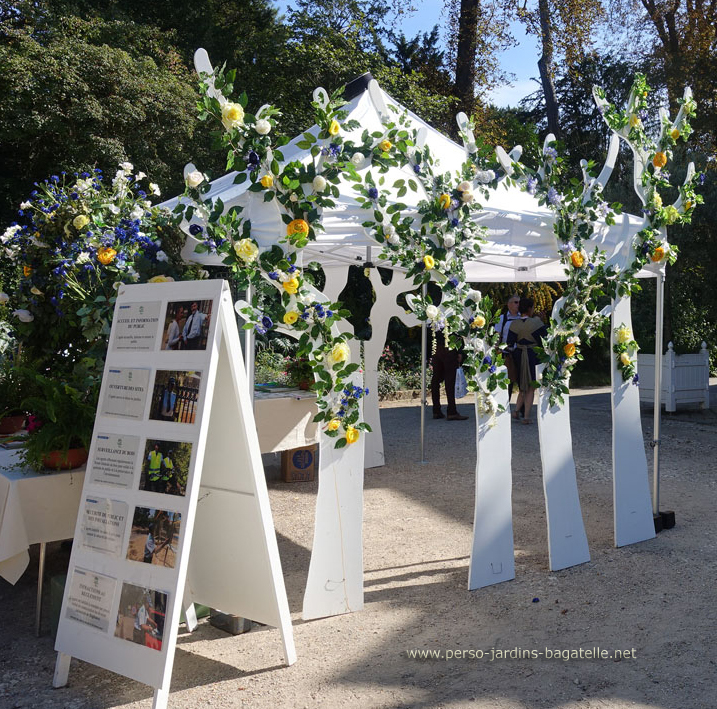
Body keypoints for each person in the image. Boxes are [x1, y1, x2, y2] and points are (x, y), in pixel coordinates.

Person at [507, 297, 547, 425]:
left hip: (518, 355)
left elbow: (509, 343)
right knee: (530, 387)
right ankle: (526, 416)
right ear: (530, 309)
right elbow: (545, 340)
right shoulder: (536, 324)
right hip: (532, 355)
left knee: (522, 386)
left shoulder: (514, 324)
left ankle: (516, 411)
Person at [431, 330, 468, 421]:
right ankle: (451, 411)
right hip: (450, 345)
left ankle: (436, 410)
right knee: (450, 379)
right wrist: (459, 351)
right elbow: (457, 331)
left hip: (436, 345)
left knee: (436, 378)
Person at [495, 294, 522, 402]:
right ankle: (505, 406)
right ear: (509, 304)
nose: (518, 305)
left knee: (522, 381)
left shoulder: (523, 317)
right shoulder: (502, 318)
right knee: (507, 381)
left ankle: (521, 409)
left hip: (520, 352)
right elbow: (497, 335)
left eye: (519, 302)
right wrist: (497, 349)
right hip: (506, 353)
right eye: (516, 302)